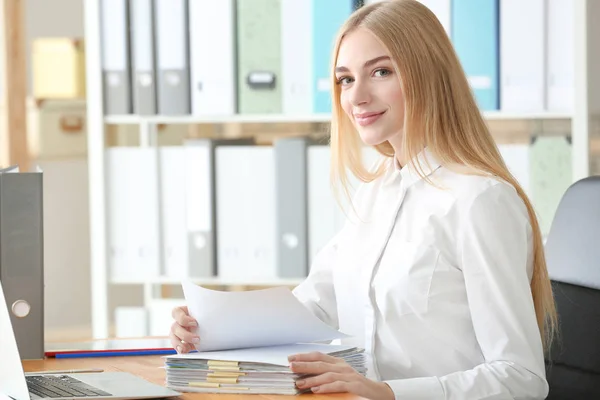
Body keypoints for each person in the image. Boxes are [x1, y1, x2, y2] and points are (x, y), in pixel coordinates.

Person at [170, 1, 558, 399]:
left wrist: (388, 392)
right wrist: (209, 328)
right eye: (345, 79)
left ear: (428, 73)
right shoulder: (375, 194)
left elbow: (520, 377)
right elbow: (312, 309)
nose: (357, 96)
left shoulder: (480, 200)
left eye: (381, 71)